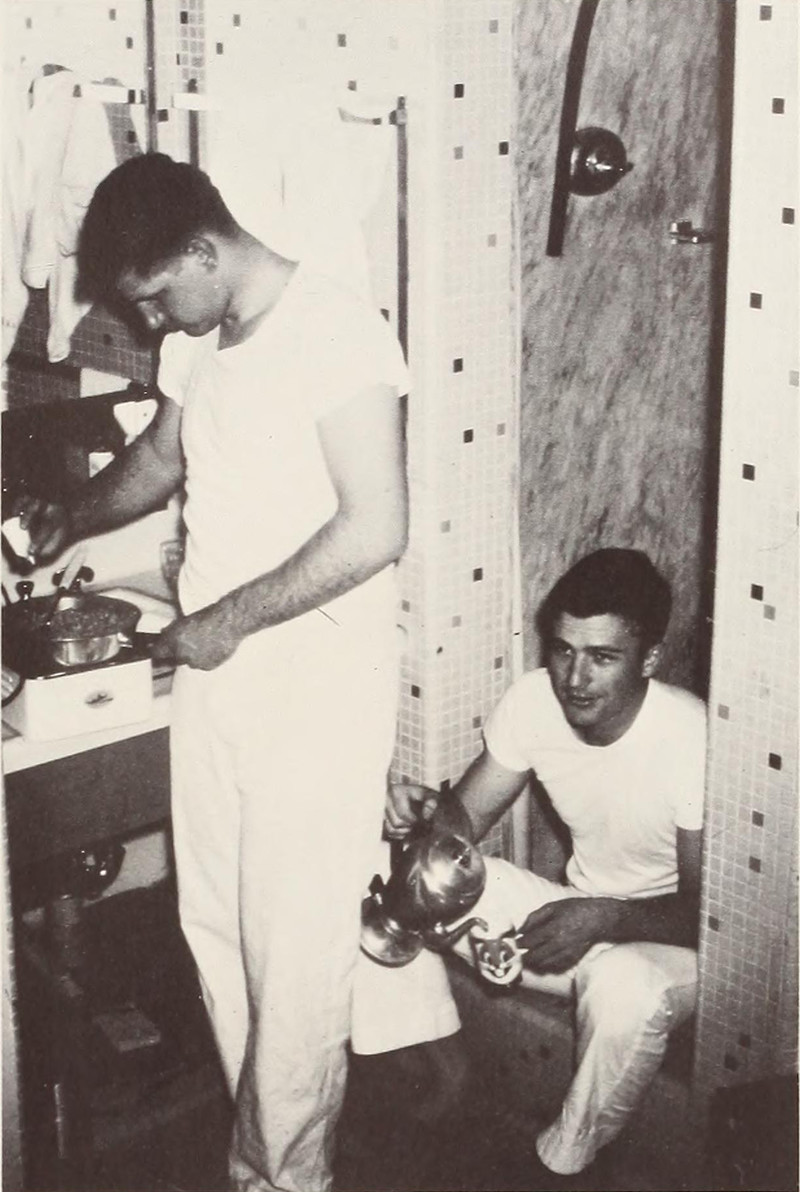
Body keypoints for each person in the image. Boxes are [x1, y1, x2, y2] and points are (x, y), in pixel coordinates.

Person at [15, 151, 409, 1192]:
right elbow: (163, 456)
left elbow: (376, 526)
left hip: (314, 688)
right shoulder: (200, 338)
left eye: (154, 297)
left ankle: (290, 1175)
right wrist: (74, 515)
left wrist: (225, 620)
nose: (149, 323)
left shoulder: (337, 332)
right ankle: (266, 1162)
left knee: (294, 951)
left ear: (203, 249)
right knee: (218, 930)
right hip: (220, 679)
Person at [352, 548, 707, 1185]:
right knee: (379, 863)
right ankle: (441, 1066)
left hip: (668, 951)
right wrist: (425, 813)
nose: (575, 677)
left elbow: (709, 922)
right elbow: (462, 824)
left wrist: (605, 918)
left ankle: (560, 1166)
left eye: (603, 657)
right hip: (567, 925)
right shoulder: (534, 700)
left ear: (650, 659)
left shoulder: (690, 738)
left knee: (623, 985)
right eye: (563, 650)